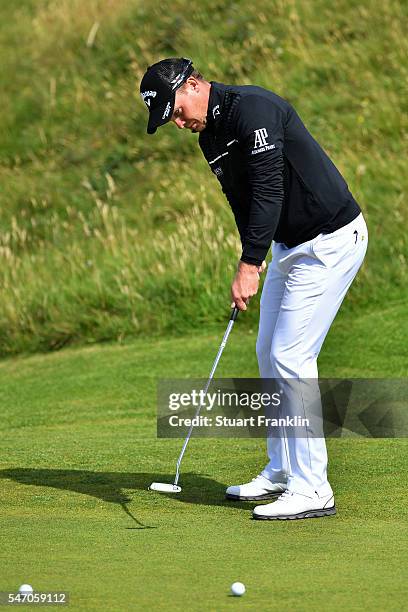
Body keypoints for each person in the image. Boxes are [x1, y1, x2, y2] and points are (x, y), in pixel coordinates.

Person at [139, 57, 368, 520]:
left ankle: (313, 488)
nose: (178, 122)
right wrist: (255, 256)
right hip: (289, 246)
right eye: (170, 118)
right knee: (269, 353)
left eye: (177, 110)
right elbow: (241, 201)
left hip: (330, 241)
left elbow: (269, 187)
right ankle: (282, 469)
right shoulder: (210, 137)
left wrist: (249, 262)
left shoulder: (254, 109)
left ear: (194, 84)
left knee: (291, 357)